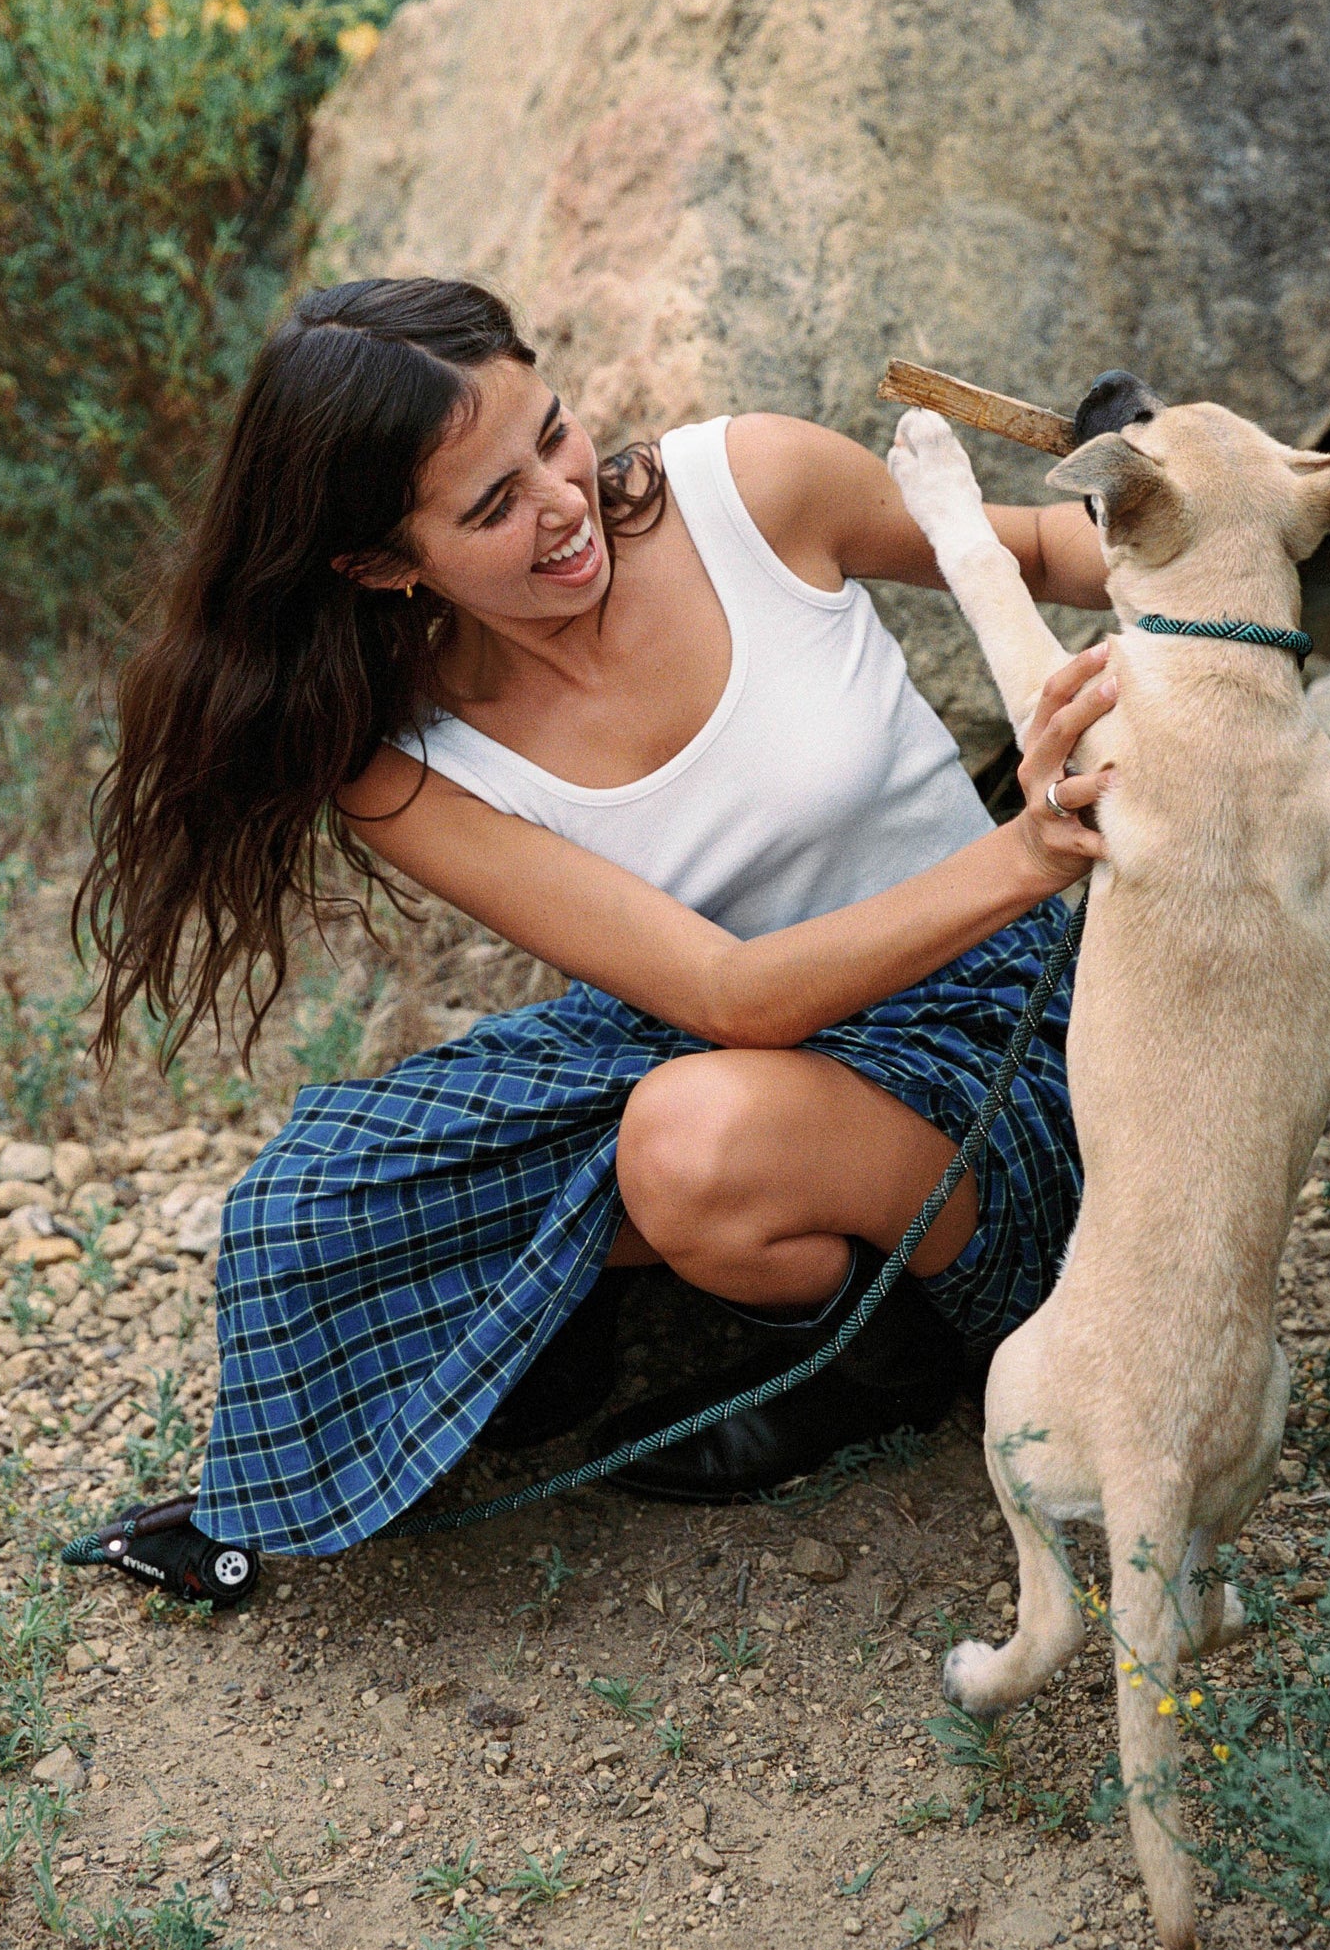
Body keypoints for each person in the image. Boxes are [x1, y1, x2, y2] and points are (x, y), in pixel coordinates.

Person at [77, 277, 1115, 1559]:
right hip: (733, 1020)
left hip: (993, 1014)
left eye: (552, 434)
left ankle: (875, 1369)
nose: (564, 505)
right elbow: (728, 997)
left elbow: (1046, 550)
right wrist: (1029, 848)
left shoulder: (751, 486)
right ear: (385, 563)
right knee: (303, 1209)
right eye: (491, 505)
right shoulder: (407, 762)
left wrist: (1214, 509)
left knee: (686, 1146)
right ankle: (598, 1320)